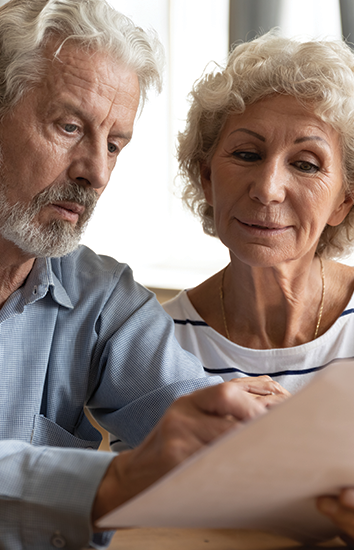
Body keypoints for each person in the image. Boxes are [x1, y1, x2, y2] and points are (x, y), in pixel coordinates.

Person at [0, 2, 288, 549]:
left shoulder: (105, 300)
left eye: (115, 144)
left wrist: (274, 442)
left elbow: (197, 420)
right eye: (69, 126)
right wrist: (114, 481)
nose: (95, 171)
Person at [162, 32, 354, 539]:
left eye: (307, 164)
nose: (268, 188)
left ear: (343, 203)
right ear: (207, 178)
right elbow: (151, 515)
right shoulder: (156, 341)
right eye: (246, 154)